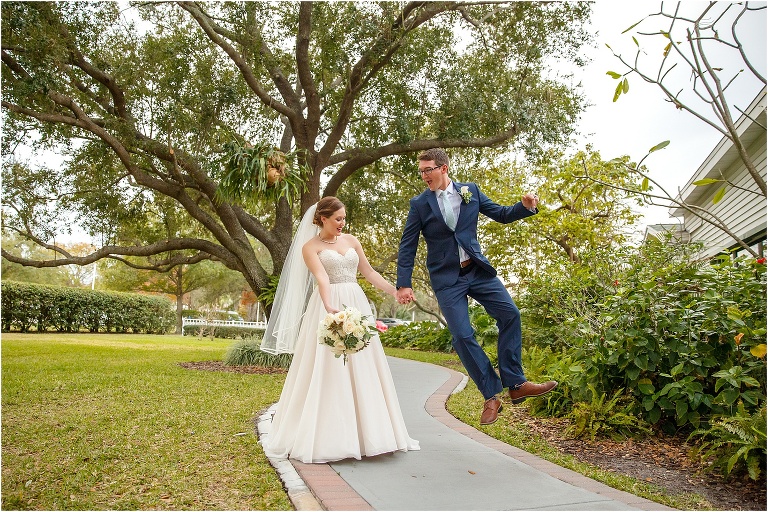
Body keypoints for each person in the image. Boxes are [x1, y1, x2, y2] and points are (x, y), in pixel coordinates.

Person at [396, 148, 557, 426]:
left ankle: (516, 384)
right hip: (447, 280)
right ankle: (491, 394)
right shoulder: (420, 204)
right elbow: (407, 245)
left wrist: (526, 206)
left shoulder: (470, 191)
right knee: (461, 335)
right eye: (421, 171)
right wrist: (403, 284)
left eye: (428, 170)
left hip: (477, 271)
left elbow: (502, 214)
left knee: (510, 314)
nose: (424, 176)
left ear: (444, 168)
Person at [261, 196, 419, 463]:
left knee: (363, 364)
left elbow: (368, 273)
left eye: (344, 218)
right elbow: (321, 277)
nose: (342, 223)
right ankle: (331, 436)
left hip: (357, 302)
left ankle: (370, 434)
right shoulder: (310, 247)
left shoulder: (352, 241)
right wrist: (327, 304)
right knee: (328, 367)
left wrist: (394, 291)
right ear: (323, 218)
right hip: (329, 304)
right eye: (338, 219)